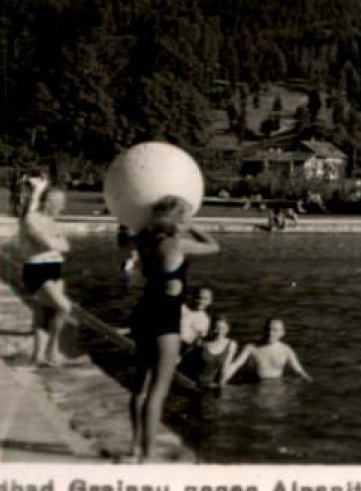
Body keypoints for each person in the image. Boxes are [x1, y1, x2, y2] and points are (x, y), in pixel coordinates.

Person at [130, 196, 220, 462]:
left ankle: (135, 448)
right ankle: (147, 456)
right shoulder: (178, 243)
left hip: (144, 309)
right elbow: (215, 246)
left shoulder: (144, 239)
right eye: (187, 216)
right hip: (166, 315)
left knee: (140, 386)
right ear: (179, 219)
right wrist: (192, 227)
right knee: (159, 389)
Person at [19, 182, 73, 367]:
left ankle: (37, 356)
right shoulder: (32, 219)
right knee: (64, 307)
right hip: (37, 270)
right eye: (61, 203)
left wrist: (55, 242)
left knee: (44, 316)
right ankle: (52, 349)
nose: (63, 207)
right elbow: (47, 243)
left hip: (55, 269)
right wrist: (54, 241)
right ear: (49, 202)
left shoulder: (52, 223)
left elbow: (66, 246)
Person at [223, 318, 312, 383]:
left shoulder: (286, 350)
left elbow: (299, 371)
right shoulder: (251, 348)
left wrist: (311, 383)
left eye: (275, 330)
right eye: (268, 329)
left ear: (282, 333)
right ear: (264, 330)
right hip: (255, 386)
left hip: (276, 387)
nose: (270, 333)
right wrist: (222, 380)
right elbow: (235, 366)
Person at [185, 315, 238, 390]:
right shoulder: (203, 342)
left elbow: (224, 369)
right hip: (194, 384)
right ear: (212, 329)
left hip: (213, 385)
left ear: (227, 329)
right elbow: (189, 361)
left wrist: (220, 386)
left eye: (222, 328)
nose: (219, 332)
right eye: (217, 328)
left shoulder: (231, 344)